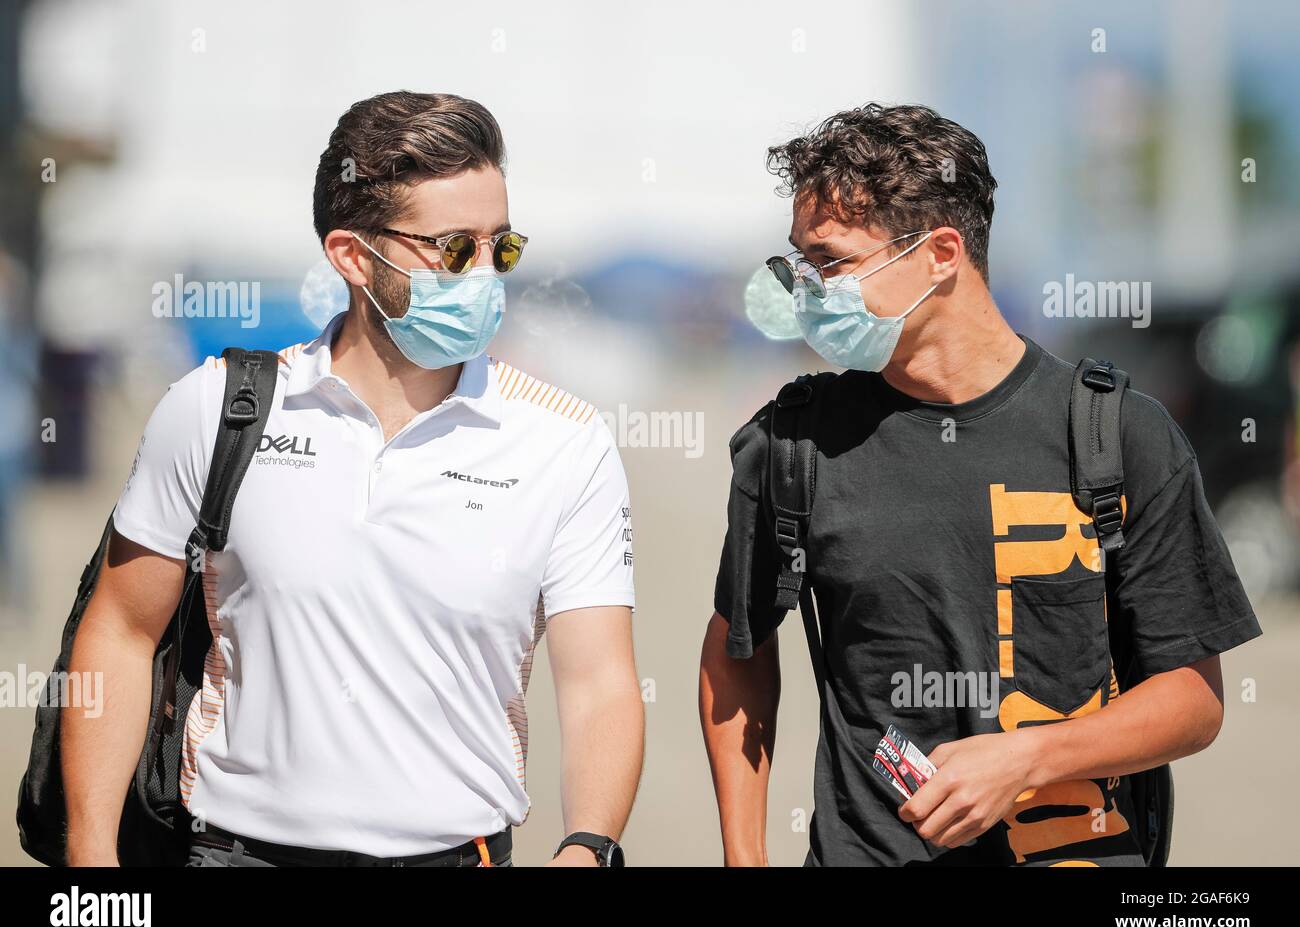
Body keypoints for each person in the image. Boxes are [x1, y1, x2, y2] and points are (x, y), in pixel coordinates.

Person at [63, 91, 642, 867]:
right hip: (236, 853)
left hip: (457, 854)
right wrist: (93, 859)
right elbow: (121, 631)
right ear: (351, 255)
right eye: (454, 248)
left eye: (500, 247)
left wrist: (586, 845)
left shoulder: (566, 442)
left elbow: (600, 682)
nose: (484, 275)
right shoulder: (214, 409)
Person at [700, 103, 1261, 866]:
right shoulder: (791, 442)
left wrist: (1029, 758)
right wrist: (745, 857)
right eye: (797, 263)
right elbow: (734, 651)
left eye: (830, 262)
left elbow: (1193, 704)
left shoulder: (1117, 434)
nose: (807, 290)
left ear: (940, 253)